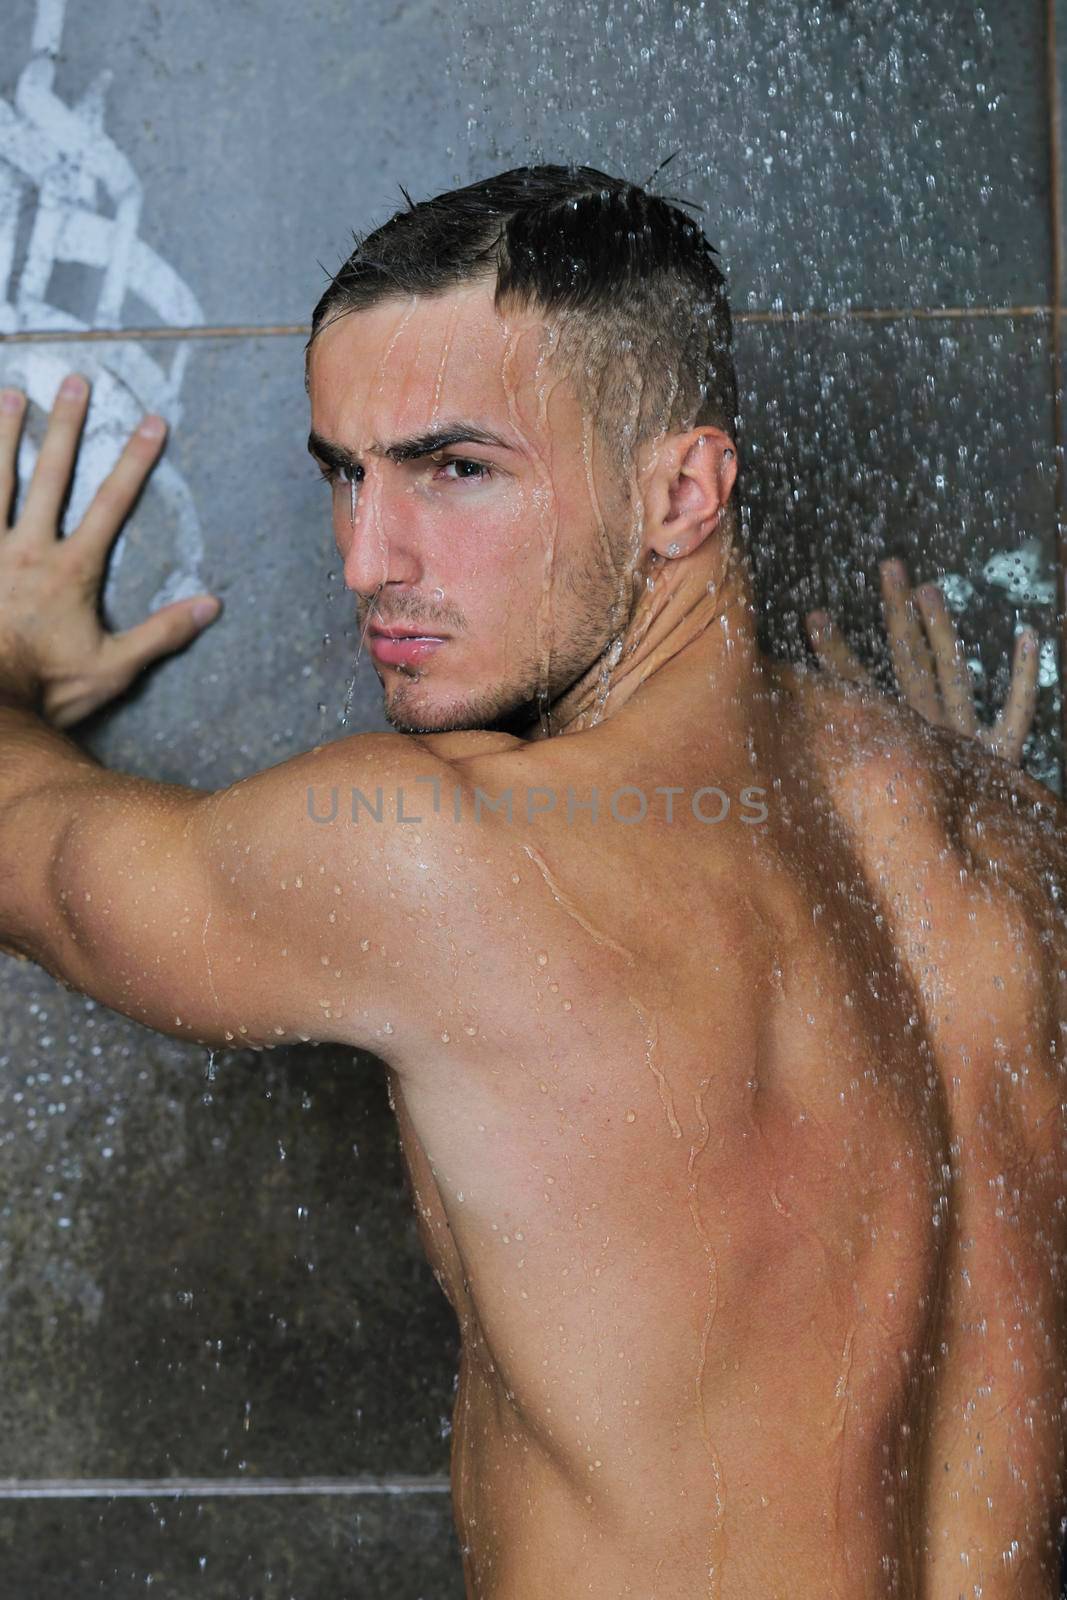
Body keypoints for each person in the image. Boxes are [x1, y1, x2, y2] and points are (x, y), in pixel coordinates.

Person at [0, 164, 1063, 1598]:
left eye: (457, 469)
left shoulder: (441, 856)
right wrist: (977, 782)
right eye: (342, 474)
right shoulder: (1008, 846)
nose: (371, 559)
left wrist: (11, 656)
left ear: (681, 489)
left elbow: (49, 870)